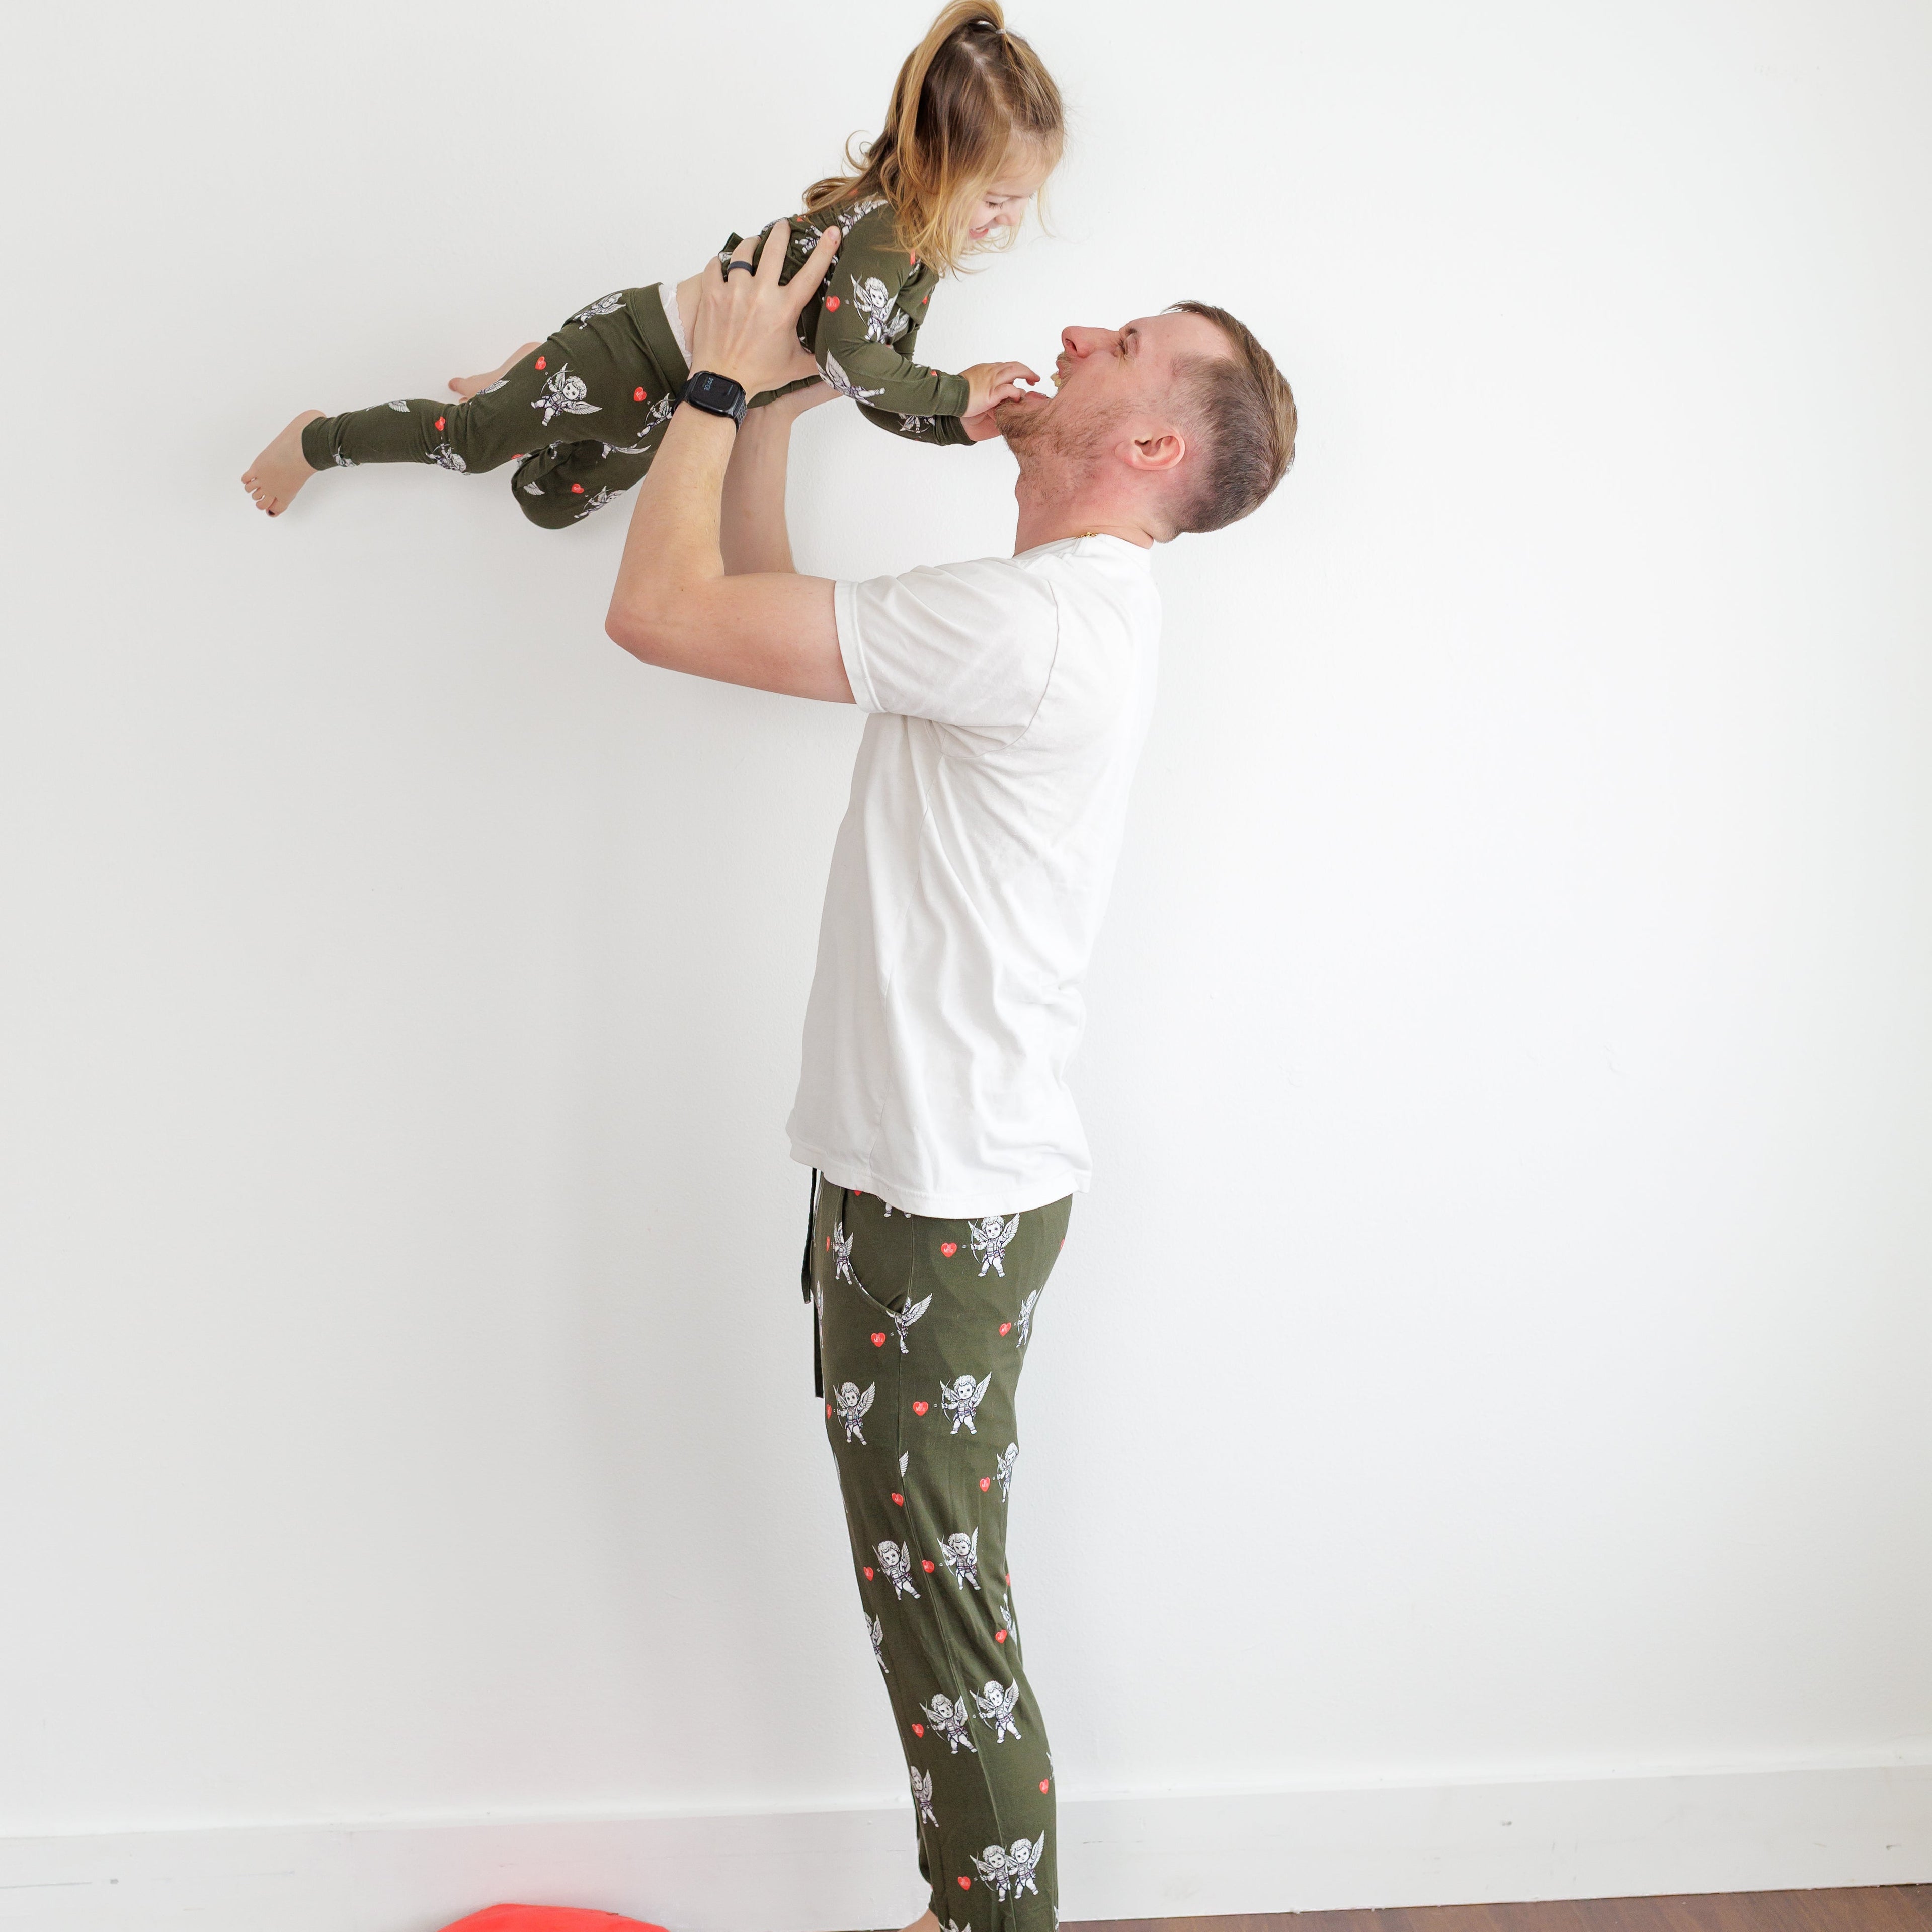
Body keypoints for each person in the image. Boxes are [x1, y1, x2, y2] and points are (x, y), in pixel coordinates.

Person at [578, 220, 1296, 1932]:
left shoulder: (1034, 627)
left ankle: (985, 1919)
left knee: (941, 1615)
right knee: (927, 1594)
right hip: (918, 1176)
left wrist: (714, 381)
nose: (1076, 331)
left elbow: (660, 611)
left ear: (1149, 445)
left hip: (939, 1199)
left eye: (1123, 344)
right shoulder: (1032, 615)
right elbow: (749, 586)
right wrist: (780, 401)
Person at [240, 3, 1058, 525]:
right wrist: (959, 391)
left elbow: (875, 383)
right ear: (935, 163)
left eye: (1021, 201)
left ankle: (531, 373)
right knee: (472, 444)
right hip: (634, 353)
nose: (1009, 221)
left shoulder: (919, 262)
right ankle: (316, 440)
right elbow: (853, 361)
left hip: (677, 403)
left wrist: (953, 425)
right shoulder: (882, 232)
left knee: (546, 504)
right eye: (997, 198)